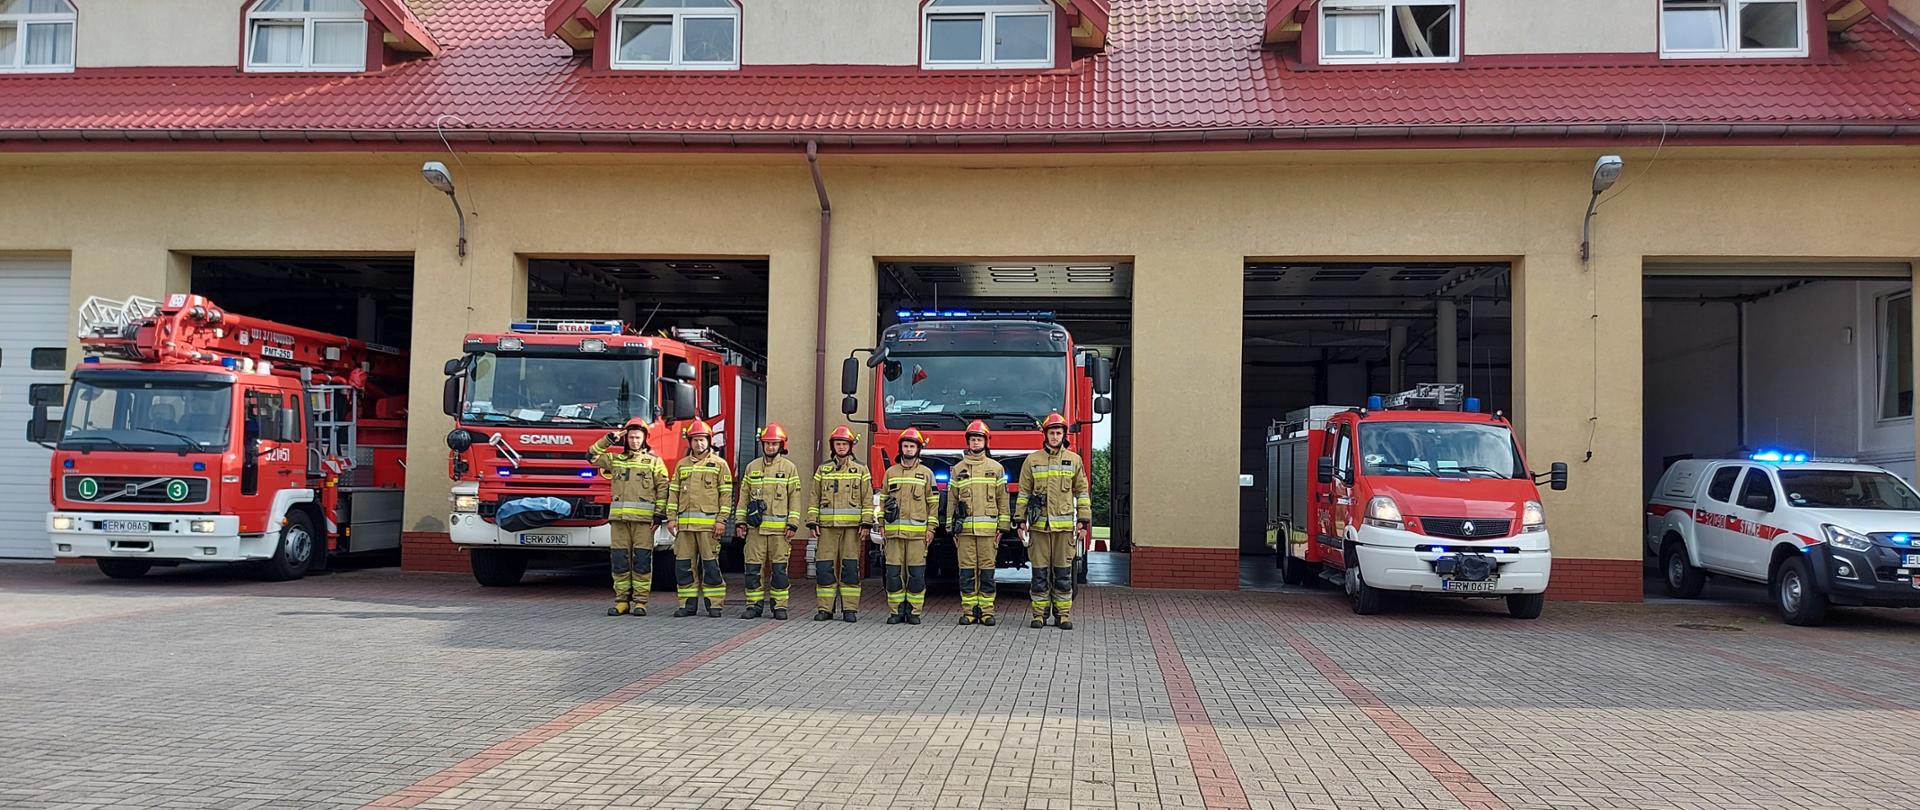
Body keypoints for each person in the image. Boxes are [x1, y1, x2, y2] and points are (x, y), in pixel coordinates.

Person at [1016, 413, 1091, 630]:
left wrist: (1083, 522)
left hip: (1065, 529)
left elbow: (1082, 492)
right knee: (1039, 574)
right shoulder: (1032, 460)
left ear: (1063, 435)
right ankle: (1039, 615)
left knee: (1063, 574)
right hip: (1039, 527)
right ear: (1045, 435)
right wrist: (1020, 522)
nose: (1055, 436)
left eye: (1058, 433)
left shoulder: (1074, 460)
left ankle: (1063, 616)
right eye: (1052, 433)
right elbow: (1023, 493)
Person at [588, 418, 669, 616]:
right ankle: (621, 601)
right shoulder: (615, 460)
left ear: (644, 439)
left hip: (643, 523)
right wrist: (609, 439)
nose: (634, 441)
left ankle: (640, 602)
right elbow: (590, 456)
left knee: (642, 561)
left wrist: (659, 515)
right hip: (619, 521)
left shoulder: (654, 462)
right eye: (631, 437)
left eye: (638, 437)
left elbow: (663, 488)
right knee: (619, 561)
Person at [734, 422, 801, 620]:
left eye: (774, 444)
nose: (770, 447)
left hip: (780, 532)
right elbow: (743, 497)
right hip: (755, 531)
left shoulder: (789, 469)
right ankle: (753, 606)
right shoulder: (751, 467)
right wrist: (740, 522)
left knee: (779, 571)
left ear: (781, 445)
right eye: (767, 443)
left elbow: (795, 498)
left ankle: (779, 607)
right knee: (753, 569)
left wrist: (792, 524)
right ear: (762, 444)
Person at [666, 419, 732, 618]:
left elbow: (726, 495)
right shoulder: (682, 465)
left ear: (709, 441)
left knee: (711, 566)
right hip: (685, 528)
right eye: (695, 440)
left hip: (709, 528)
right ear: (690, 442)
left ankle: (715, 605)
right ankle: (687, 605)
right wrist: (671, 518)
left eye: (702, 440)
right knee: (684, 567)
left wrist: (722, 520)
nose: (699, 444)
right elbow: (673, 494)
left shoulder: (720, 465)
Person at [808, 425, 873, 622]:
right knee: (824, 568)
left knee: (850, 568)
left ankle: (850, 610)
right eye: (838, 443)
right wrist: (812, 522)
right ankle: (825, 609)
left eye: (844, 444)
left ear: (850, 446)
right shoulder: (823, 470)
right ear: (833, 446)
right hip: (827, 529)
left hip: (852, 530)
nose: (841, 447)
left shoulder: (861, 470)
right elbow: (814, 496)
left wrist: (866, 524)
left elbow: (867, 498)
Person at [947, 419, 1009, 626]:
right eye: (972, 439)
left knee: (987, 572)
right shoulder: (957, 469)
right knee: (966, 572)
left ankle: (987, 612)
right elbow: (952, 500)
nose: (975, 443)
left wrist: (1003, 527)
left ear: (985, 442)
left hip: (989, 532)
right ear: (968, 442)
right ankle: (969, 612)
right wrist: (951, 528)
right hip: (964, 531)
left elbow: (1003, 499)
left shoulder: (996, 468)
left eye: (979, 439)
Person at [880, 427, 938, 625]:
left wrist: (931, 529)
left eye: (912, 446)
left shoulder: (926, 474)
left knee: (915, 576)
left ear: (918, 449)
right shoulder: (890, 472)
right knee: (894, 575)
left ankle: (914, 612)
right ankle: (896, 611)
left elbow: (933, 503)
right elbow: (882, 500)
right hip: (893, 534)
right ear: (901, 448)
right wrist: (881, 524)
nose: (908, 449)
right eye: (905, 446)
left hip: (917, 536)